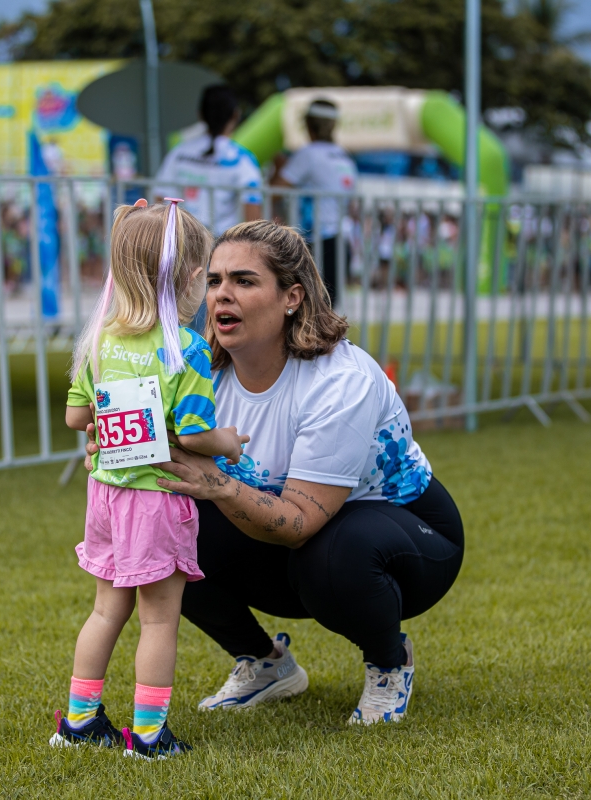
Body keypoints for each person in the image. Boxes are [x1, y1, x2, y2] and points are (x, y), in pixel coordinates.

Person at [85, 220, 464, 725]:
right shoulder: (197, 370)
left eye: (244, 281)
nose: (222, 295)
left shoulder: (339, 381)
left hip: (404, 535)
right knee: (164, 525)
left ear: (292, 297)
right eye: (214, 280)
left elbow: (301, 523)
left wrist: (217, 484)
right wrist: (120, 450)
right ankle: (265, 664)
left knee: (337, 551)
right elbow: (164, 460)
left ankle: (389, 662)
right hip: (287, 539)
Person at [54, 199, 248, 759]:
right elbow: (193, 435)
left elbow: (75, 416)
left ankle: (80, 720)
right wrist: (229, 441)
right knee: (160, 620)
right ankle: (147, 735)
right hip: (157, 499)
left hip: (106, 495)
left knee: (104, 610)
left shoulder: (100, 339)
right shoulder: (186, 349)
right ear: (192, 278)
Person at [271, 99, 358, 305]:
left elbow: (273, 191)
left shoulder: (308, 154)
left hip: (314, 243)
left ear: (308, 125)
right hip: (339, 242)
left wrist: (279, 166)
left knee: (303, 310)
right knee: (324, 312)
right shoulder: (345, 157)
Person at [153, 85, 263, 237]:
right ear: (235, 115)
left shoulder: (179, 152)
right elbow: (253, 215)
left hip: (180, 239)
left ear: (200, 115)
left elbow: (158, 197)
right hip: (220, 243)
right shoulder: (242, 159)